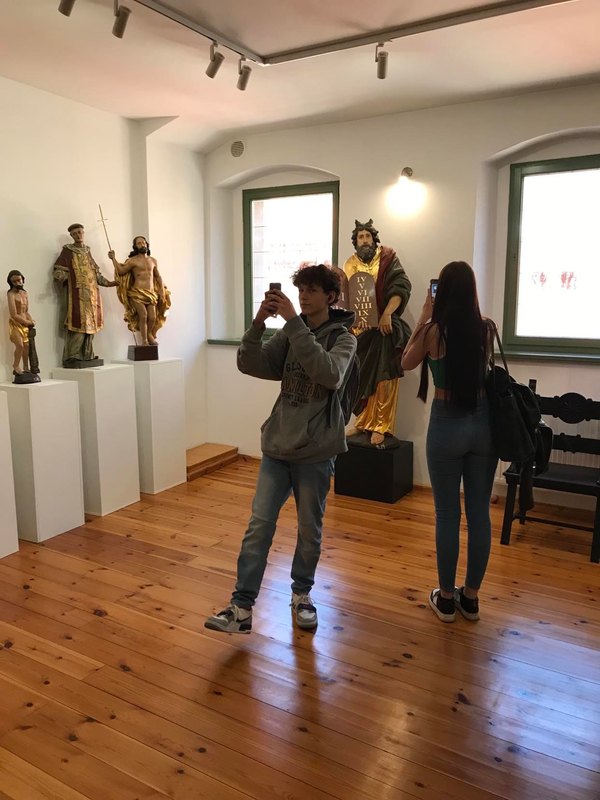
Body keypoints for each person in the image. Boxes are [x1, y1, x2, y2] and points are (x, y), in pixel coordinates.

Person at [204, 264, 356, 634]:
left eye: (312, 290)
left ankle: (302, 595)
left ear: (331, 297)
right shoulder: (290, 332)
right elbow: (251, 364)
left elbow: (329, 374)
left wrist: (294, 323)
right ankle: (241, 608)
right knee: (258, 527)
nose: (303, 296)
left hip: (316, 451)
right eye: (300, 289)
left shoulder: (344, 339)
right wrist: (258, 322)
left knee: (309, 531)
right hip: (277, 447)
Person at [401, 261, 497, 623]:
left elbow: (405, 362)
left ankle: (445, 600)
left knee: (447, 514)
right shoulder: (487, 328)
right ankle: (470, 599)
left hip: (446, 426)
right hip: (483, 426)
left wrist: (424, 317)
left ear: (440, 293)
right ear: (472, 291)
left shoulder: (433, 332)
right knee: (479, 514)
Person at [342, 219, 412, 446]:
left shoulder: (388, 258)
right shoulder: (350, 264)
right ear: (355, 242)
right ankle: (363, 421)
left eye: (367, 236)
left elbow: (400, 286)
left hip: (384, 330)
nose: (364, 241)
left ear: (374, 239)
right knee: (359, 379)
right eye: (360, 237)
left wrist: (387, 313)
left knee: (384, 378)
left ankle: (382, 424)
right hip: (360, 332)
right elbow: (347, 297)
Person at [53, 223, 117, 366]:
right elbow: (60, 269)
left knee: (91, 325)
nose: (78, 235)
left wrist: (111, 283)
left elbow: (96, 274)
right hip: (77, 295)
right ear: (71, 236)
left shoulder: (88, 251)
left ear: (83, 233)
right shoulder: (68, 251)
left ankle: (87, 354)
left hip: (92, 296)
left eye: (80, 232)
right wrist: (60, 275)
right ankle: (73, 355)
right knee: (78, 324)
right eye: (75, 233)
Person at [109, 236, 170, 346]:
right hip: (137, 293)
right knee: (143, 316)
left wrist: (161, 289)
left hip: (151, 294)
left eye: (143, 243)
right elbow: (121, 271)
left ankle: (149, 334)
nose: (142, 245)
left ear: (147, 244)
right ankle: (145, 340)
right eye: (139, 243)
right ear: (135, 246)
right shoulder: (133, 261)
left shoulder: (153, 260)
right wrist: (113, 259)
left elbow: (158, 276)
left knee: (153, 317)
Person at [7, 270, 35, 375]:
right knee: (20, 345)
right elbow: (14, 314)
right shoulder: (11, 294)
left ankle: (26, 367)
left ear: (22, 279)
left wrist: (31, 320)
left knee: (26, 346)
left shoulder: (25, 293)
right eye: (14, 281)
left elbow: (26, 311)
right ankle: (15, 366)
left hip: (25, 324)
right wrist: (27, 322)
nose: (17, 283)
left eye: (19, 280)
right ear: (11, 282)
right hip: (16, 324)